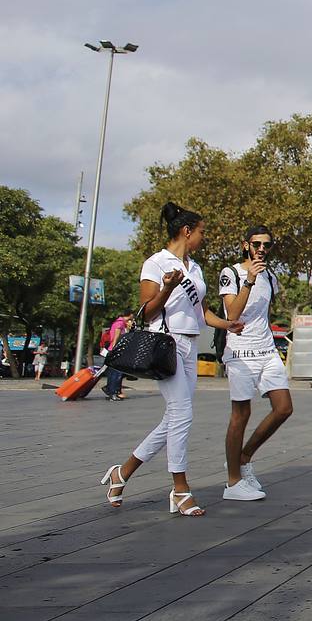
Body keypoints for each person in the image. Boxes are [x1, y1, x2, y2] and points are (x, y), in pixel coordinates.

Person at [98, 202, 244, 516]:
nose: (203, 238)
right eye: (201, 232)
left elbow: (201, 311)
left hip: (190, 345)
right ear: (186, 231)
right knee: (182, 414)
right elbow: (147, 310)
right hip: (167, 344)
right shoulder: (156, 263)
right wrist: (167, 288)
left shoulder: (195, 267)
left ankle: (121, 473)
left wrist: (227, 324)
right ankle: (180, 489)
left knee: (173, 420)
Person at [219, 224, 294, 501]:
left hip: (267, 351)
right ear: (245, 245)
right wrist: (248, 280)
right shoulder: (232, 273)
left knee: (284, 408)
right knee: (241, 414)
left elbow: (264, 314)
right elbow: (232, 315)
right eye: (256, 244)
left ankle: (244, 456)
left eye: (267, 245)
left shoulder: (270, 276)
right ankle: (233, 482)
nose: (262, 249)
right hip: (240, 353)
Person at [101, 314, 130, 400]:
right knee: (116, 373)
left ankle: (111, 392)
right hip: (116, 350)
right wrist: (114, 348)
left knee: (113, 373)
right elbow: (116, 337)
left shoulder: (118, 323)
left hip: (114, 350)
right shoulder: (120, 324)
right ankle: (112, 393)